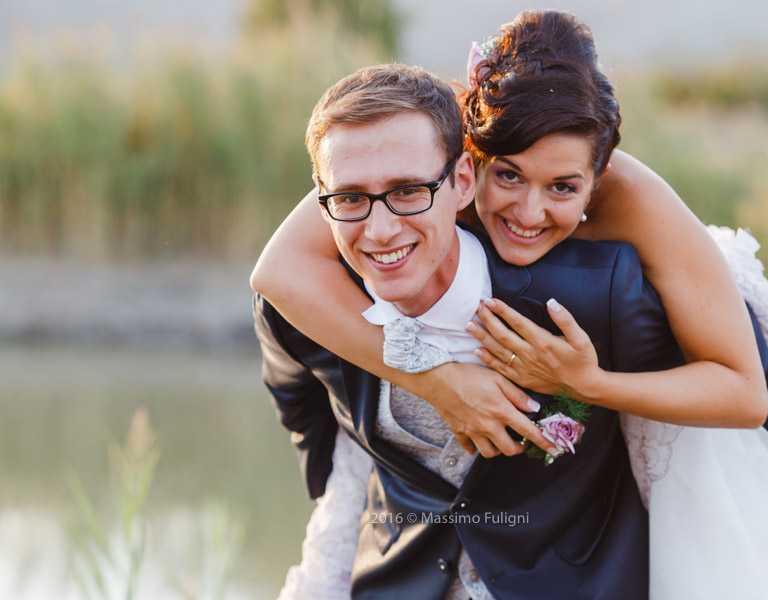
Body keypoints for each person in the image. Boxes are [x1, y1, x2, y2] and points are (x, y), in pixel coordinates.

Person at [254, 9, 768, 599]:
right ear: (469, 164)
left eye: (563, 187)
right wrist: (436, 378)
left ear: (597, 176)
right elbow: (279, 271)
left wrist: (589, 382)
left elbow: (741, 392)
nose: (528, 214)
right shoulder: (415, 158)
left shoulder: (631, 199)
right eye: (508, 177)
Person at [254, 61, 684, 598]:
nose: (380, 228)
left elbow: (700, 418)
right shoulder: (304, 311)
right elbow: (302, 406)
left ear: (461, 181)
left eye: (409, 190)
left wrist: (591, 385)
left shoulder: (596, 298)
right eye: (350, 198)